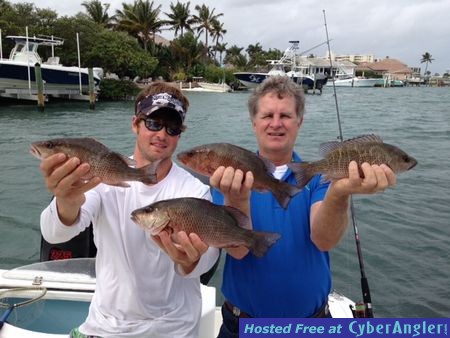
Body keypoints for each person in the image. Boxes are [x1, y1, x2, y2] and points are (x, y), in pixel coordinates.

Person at [210, 76, 397, 336]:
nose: (276, 123)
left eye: (285, 115)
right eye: (267, 116)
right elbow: (239, 251)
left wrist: (340, 191)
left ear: (300, 122)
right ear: (254, 123)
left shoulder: (320, 177)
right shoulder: (230, 177)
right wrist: (238, 198)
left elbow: (324, 240)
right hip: (243, 326)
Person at [39, 82, 220, 338]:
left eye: (173, 127)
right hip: (106, 327)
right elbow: (54, 233)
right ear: (135, 123)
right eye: (154, 123)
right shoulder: (102, 176)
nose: (162, 134)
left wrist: (191, 261)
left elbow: (209, 255)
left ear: (180, 133)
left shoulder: (194, 190)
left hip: (173, 329)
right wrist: (66, 201)